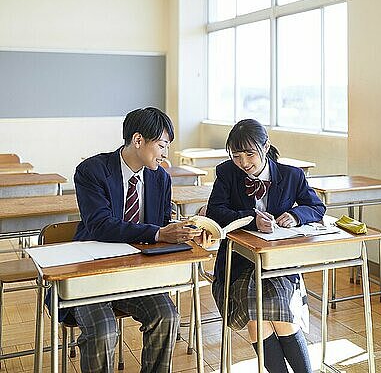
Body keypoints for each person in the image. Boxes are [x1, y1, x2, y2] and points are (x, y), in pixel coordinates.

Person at [68, 107, 200, 373]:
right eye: (162, 145)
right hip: (91, 275)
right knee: (104, 331)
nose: (166, 154)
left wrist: (187, 229)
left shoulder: (160, 177)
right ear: (138, 140)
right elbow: (99, 225)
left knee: (168, 317)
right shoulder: (92, 171)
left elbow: (161, 225)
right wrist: (159, 233)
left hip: (136, 274)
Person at [207, 119, 325, 373]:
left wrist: (295, 216)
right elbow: (215, 212)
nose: (244, 162)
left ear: (265, 146)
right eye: (237, 156)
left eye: (250, 153)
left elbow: (317, 207)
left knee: (280, 317)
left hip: (277, 264)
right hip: (238, 264)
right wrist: (250, 217)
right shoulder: (227, 172)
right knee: (257, 317)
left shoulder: (292, 175)